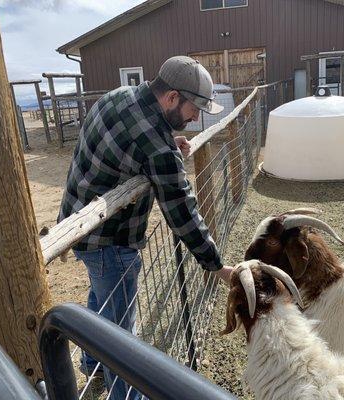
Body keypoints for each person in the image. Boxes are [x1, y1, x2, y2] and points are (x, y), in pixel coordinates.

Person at [58, 56, 233, 399]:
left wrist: (171, 142)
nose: (195, 117)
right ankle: (125, 392)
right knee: (122, 339)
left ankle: (91, 363)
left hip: (77, 223)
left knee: (101, 299)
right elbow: (181, 210)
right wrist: (216, 266)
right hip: (111, 241)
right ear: (171, 98)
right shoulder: (156, 143)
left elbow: (137, 142)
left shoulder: (121, 95)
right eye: (193, 107)